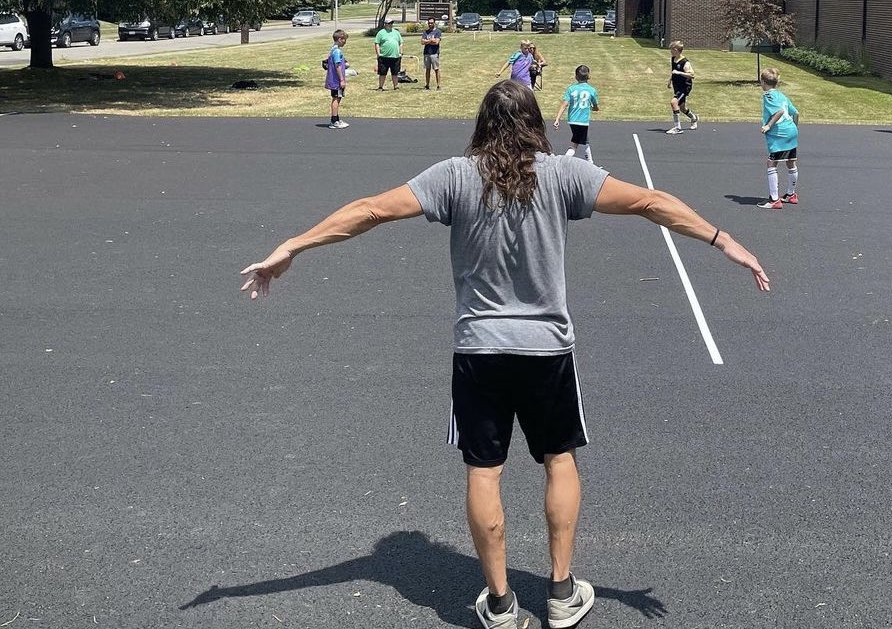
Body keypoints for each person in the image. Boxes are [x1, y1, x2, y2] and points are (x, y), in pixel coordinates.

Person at [239, 80, 771, 629]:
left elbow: (370, 210)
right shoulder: (564, 173)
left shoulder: (453, 176)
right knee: (559, 461)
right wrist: (723, 240)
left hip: (480, 353)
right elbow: (650, 202)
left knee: (484, 474)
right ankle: (562, 595)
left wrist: (291, 246)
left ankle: (499, 604)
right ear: (536, 121)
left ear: (482, 124)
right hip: (547, 352)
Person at [756, 67, 799, 209]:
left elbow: (779, 111)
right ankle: (791, 194)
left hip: (780, 134)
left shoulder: (768, 95)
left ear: (763, 82)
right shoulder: (782, 95)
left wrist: (768, 125)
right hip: (791, 131)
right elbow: (795, 113)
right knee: (790, 162)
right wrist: (794, 128)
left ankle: (774, 199)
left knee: (771, 163)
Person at [553, 64, 599, 164]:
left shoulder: (571, 89)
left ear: (576, 77)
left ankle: (590, 162)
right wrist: (595, 108)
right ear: (589, 76)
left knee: (584, 141)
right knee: (575, 144)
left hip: (572, 120)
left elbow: (564, 105)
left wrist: (557, 119)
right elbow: (595, 105)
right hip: (583, 121)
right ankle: (562, 162)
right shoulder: (591, 90)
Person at [666, 40, 699, 134]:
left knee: (673, 102)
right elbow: (673, 71)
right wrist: (670, 80)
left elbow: (692, 75)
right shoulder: (673, 58)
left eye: (671, 50)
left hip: (684, 87)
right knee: (682, 108)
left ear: (676, 50)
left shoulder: (685, 62)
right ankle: (694, 118)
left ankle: (677, 128)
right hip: (677, 86)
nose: (670, 52)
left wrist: (679, 72)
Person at [324, 29, 349, 129]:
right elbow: (337, 66)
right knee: (336, 99)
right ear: (340, 39)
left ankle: (337, 118)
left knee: (337, 98)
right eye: (344, 40)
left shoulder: (333, 49)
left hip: (335, 80)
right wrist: (342, 80)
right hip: (336, 81)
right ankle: (334, 120)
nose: (345, 42)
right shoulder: (337, 51)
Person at [374, 19, 404, 91]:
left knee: (395, 73)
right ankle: (381, 87)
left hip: (395, 56)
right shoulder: (381, 33)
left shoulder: (396, 32)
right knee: (382, 73)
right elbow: (377, 43)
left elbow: (401, 43)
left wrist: (401, 53)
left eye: (391, 23)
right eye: (389, 23)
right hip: (384, 56)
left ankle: (396, 86)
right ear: (385, 24)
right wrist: (378, 54)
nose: (390, 24)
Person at [421, 17, 442, 91]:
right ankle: (427, 85)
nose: (430, 24)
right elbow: (422, 42)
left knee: (436, 69)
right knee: (427, 69)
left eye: (431, 23)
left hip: (434, 53)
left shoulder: (438, 32)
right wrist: (431, 40)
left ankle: (438, 85)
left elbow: (436, 42)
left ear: (434, 23)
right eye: (429, 23)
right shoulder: (425, 32)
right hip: (426, 53)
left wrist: (427, 41)